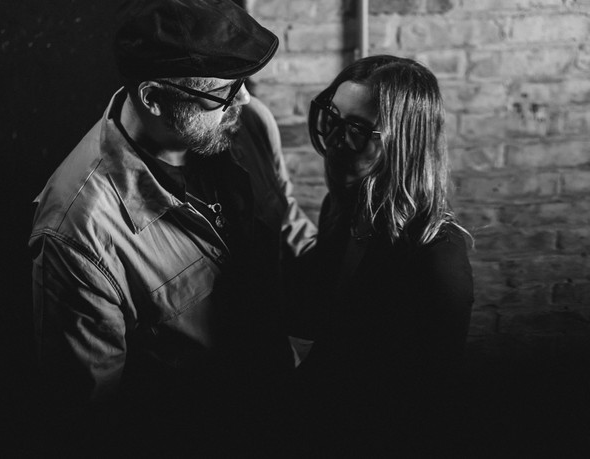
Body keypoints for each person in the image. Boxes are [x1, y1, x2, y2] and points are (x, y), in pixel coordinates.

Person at [27, 0, 315, 454]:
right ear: (154, 98)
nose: (244, 99)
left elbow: (284, 215)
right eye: (223, 91)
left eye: (243, 82)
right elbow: (92, 418)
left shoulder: (247, 122)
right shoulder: (78, 234)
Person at [286, 55, 474, 455]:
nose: (335, 139)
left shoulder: (438, 256)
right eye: (332, 117)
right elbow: (323, 311)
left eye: (357, 129)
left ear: (404, 143)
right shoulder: (343, 206)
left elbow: (428, 400)